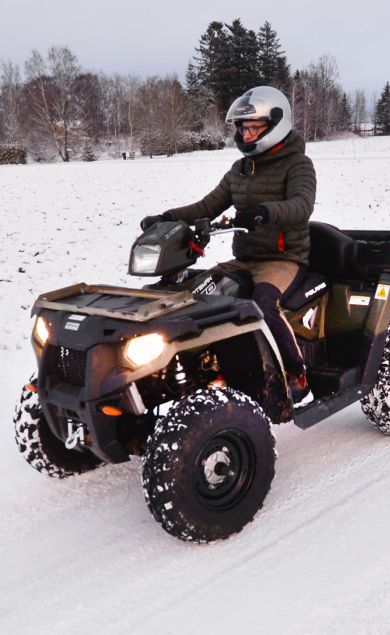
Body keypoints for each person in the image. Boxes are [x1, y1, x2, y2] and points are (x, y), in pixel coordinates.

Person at [140, 85, 316, 406]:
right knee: (199, 293)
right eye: (242, 128)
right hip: (245, 258)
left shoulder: (298, 165)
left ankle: (296, 373)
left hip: (283, 258)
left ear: (275, 125)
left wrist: (264, 212)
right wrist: (166, 218)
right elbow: (207, 206)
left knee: (264, 302)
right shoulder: (240, 170)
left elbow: (302, 205)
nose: (246, 135)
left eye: (253, 128)